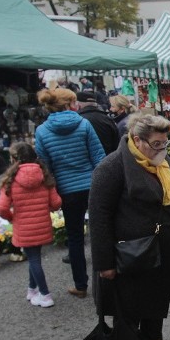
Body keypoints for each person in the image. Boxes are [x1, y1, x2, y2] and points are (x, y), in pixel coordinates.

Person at [89, 114, 170, 340]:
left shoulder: (162, 162)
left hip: (163, 248)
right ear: (136, 140)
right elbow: (99, 217)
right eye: (156, 144)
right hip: (129, 254)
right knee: (129, 308)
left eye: (165, 144)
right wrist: (104, 263)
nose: (162, 150)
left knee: (156, 305)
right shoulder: (111, 167)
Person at [35, 88, 106, 299]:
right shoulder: (83, 124)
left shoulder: (42, 131)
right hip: (92, 185)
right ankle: (107, 280)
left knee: (75, 238)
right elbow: (99, 157)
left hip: (67, 190)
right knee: (101, 233)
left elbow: (44, 166)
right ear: (69, 104)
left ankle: (81, 285)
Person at [0, 143, 62, 308]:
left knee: (33, 259)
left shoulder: (11, 180)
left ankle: (45, 295)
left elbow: (2, 207)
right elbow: (56, 203)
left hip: (23, 226)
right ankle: (32, 289)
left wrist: (12, 217)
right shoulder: (44, 176)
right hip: (42, 224)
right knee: (35, 258)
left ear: (14, 159)